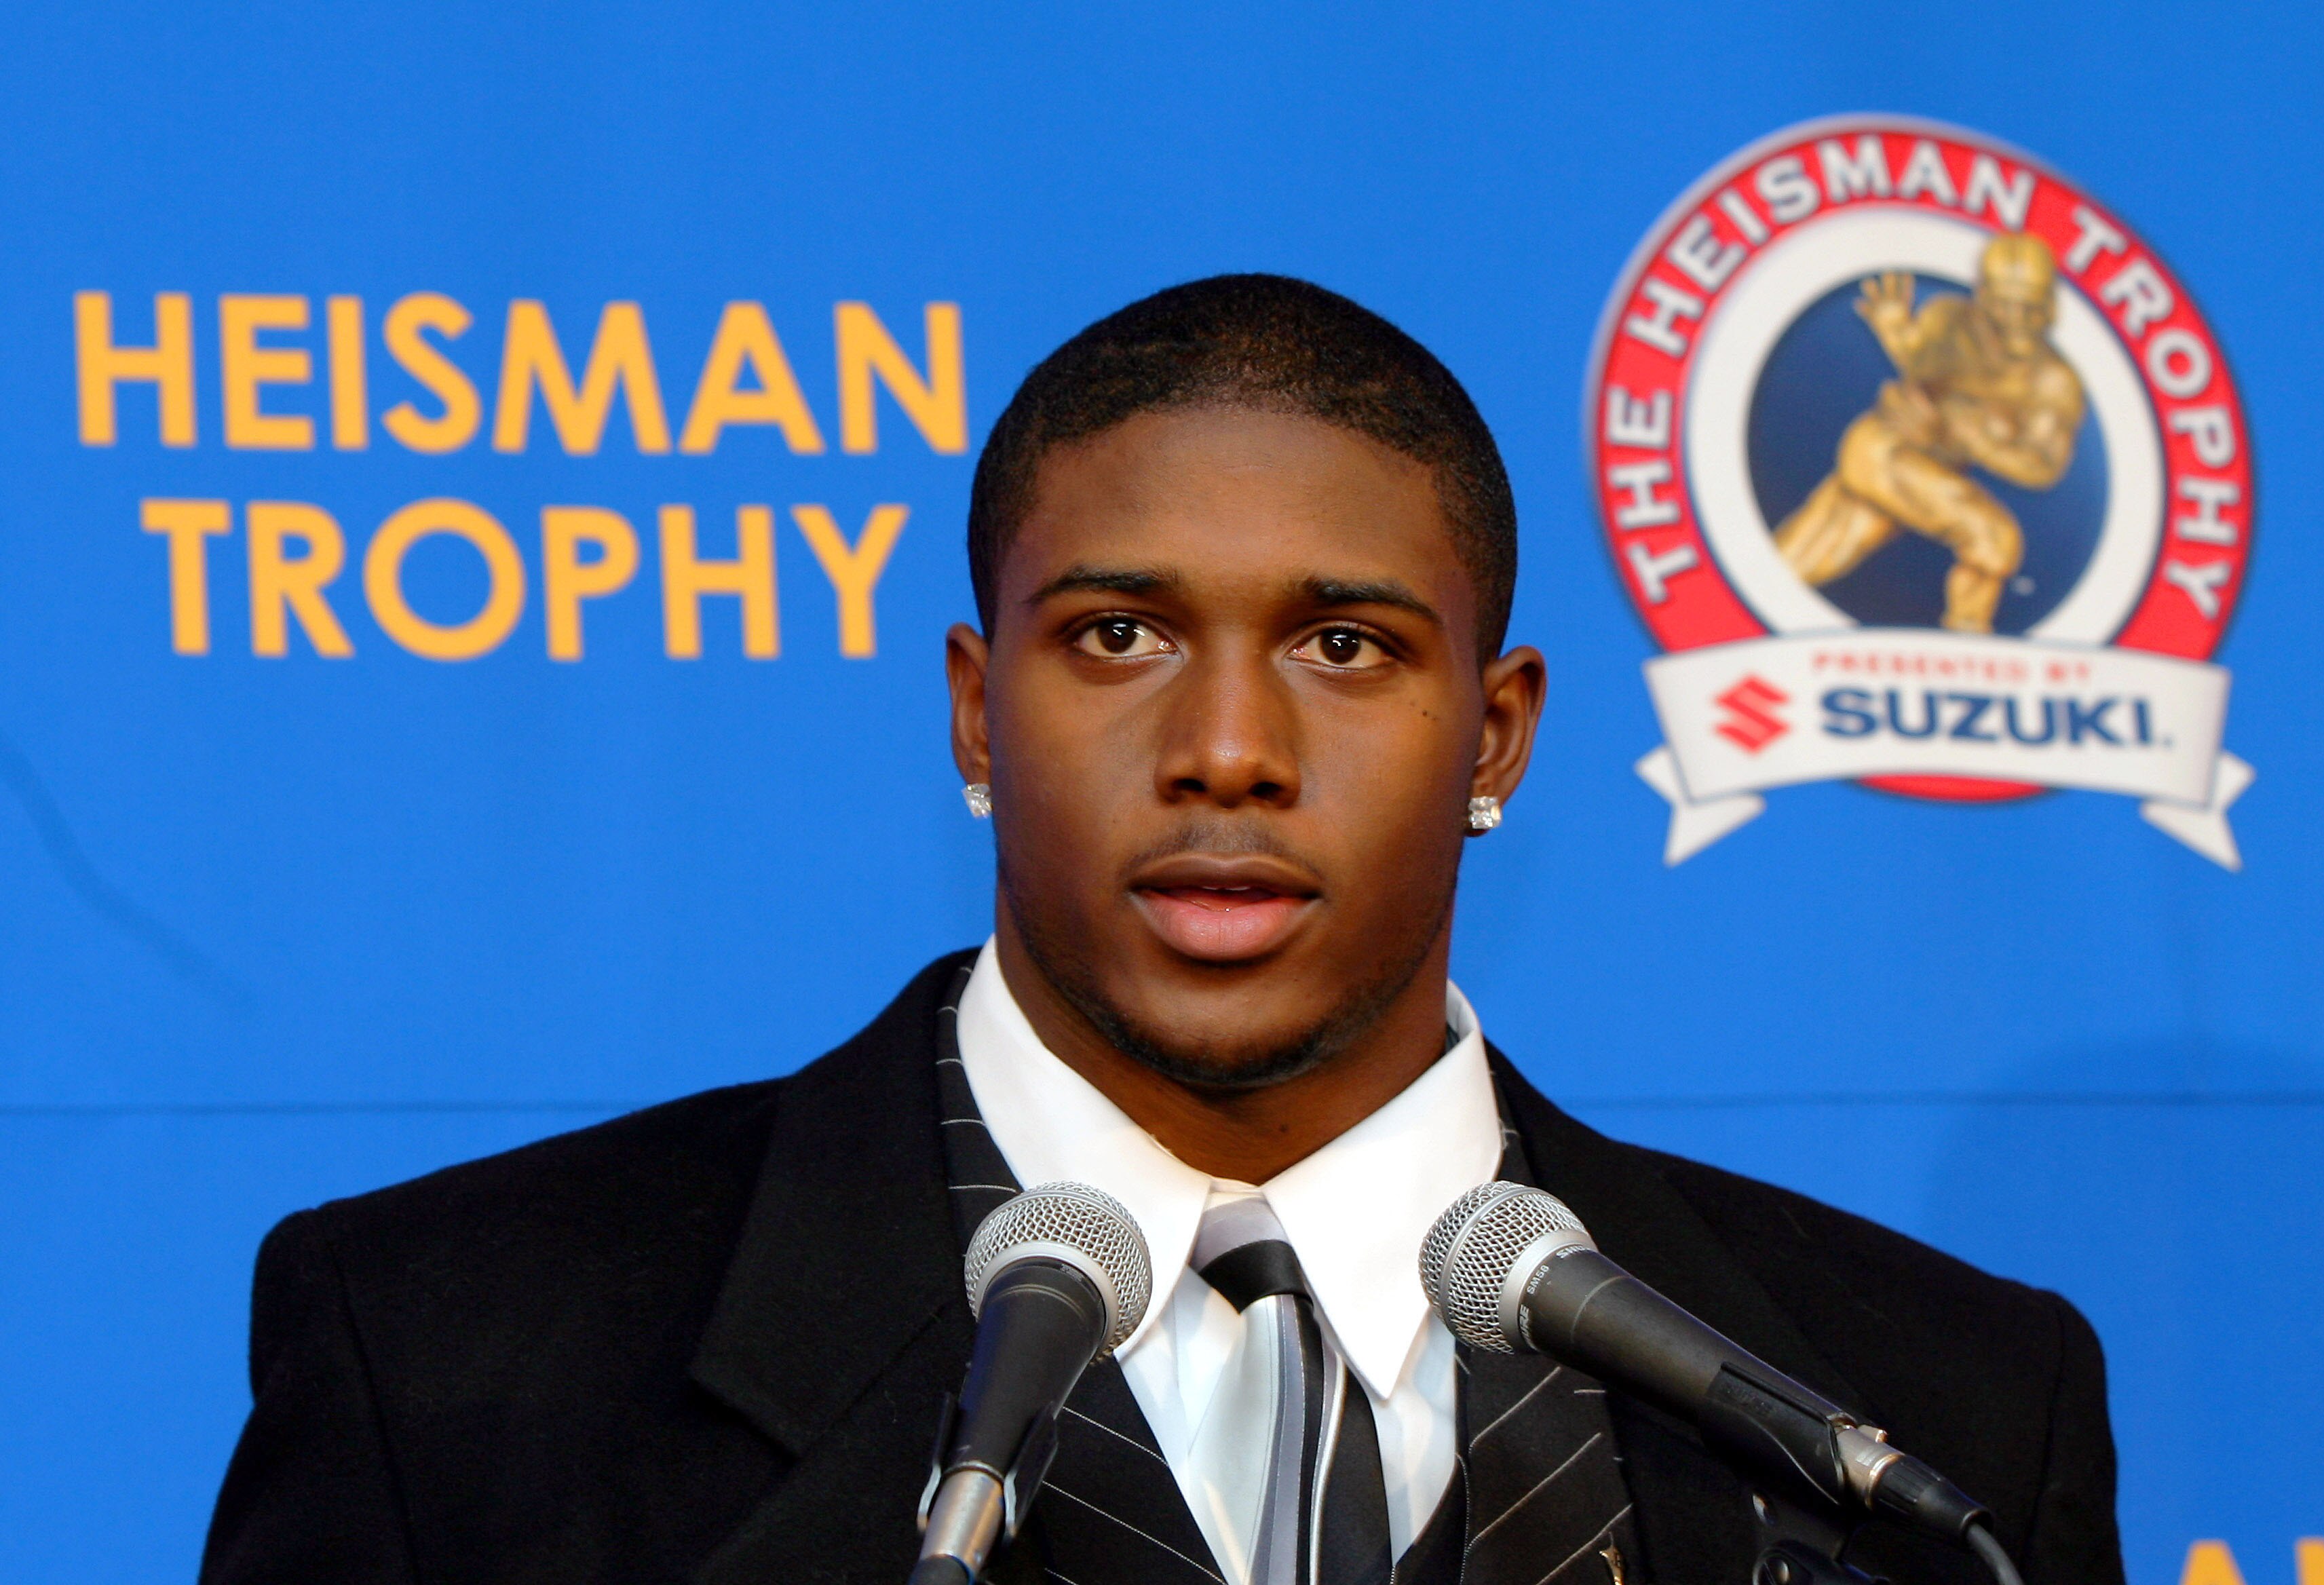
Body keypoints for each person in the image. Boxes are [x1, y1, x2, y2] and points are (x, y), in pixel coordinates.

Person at [199, 275, 2122, 1585]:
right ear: (975, 710)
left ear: (1499, 733)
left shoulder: (1935, 1417)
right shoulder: (452, 1364)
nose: (1226, 751)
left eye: (1345, 647)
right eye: (1116, 637)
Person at [1773, 232, 2085, 633]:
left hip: (1925, 465)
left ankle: (1737, 607)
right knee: (1994, 539)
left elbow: (2042, 468)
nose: (2017, 321)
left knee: (1810, 552)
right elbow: (1919, 359)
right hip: (1883, 448)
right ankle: (1968, 636)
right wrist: (1895, 329)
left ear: (2051, 309)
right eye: (2005, 305)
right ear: (1984, 299)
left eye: (2030, 308)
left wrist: (1971, 434)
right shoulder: (1951, 322)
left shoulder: (2054, 382)